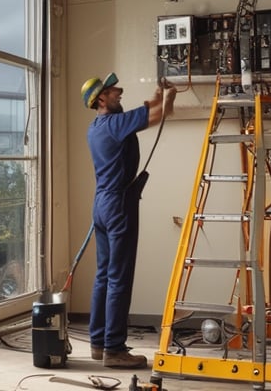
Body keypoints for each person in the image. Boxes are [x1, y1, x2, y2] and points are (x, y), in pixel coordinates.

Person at [80, 72, 176, 368]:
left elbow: (150, 107)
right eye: (113, 90)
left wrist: (158, 95)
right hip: (119, 206)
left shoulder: (96, 128)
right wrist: (171, 96)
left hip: (101, 205)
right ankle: (115, 350)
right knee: (119, 279)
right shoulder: (115, 124)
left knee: (104, 276)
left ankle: (99, 343)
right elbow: (161, 113)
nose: (119, 92)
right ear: (101, 99)